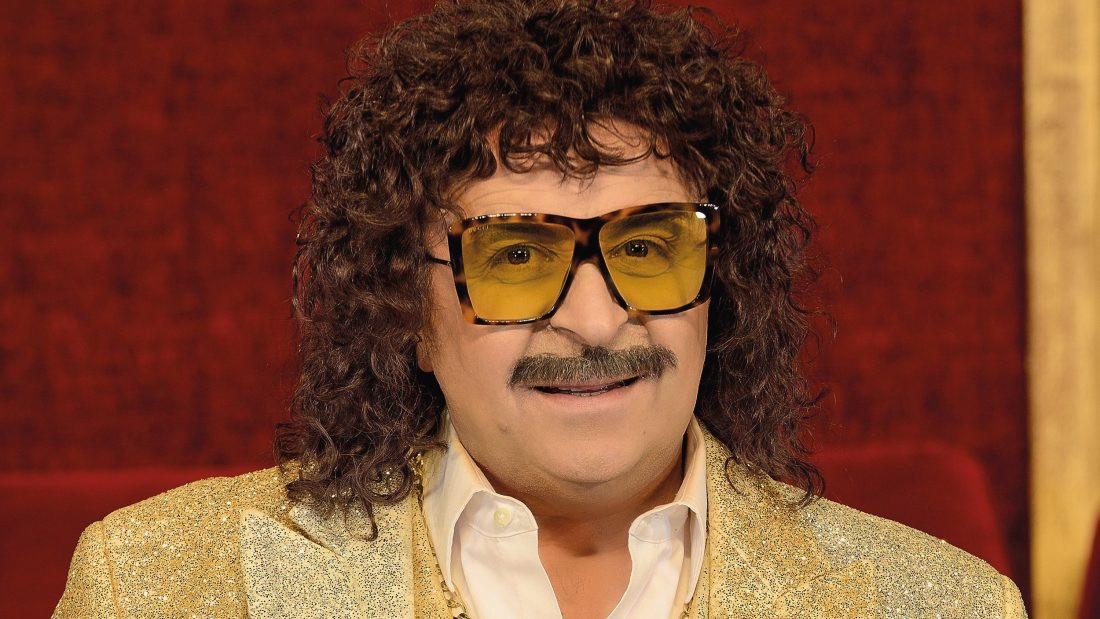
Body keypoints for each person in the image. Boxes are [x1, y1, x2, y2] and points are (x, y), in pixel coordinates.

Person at [54, 1, 1027, 617]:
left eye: (646, 246)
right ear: (405, 305)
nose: (596, 324)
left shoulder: (946, 606)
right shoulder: (152, 587)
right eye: (516, 256)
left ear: (720, 283)